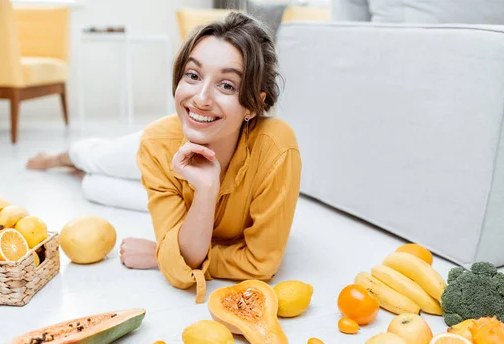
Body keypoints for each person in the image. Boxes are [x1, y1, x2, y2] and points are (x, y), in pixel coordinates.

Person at [26, 12, 302, 303]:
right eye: (193, 76)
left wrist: (202, 199)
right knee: (95, 158)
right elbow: (196, 257)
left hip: (196, 174)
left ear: (254, 105)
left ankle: (80, 175)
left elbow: (260, 264)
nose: (201, 98)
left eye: (227, 85)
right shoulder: (156, 142)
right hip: (172, 145)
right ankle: (59, 158)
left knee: (94, 187)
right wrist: (170, 253)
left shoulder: (277, 148)